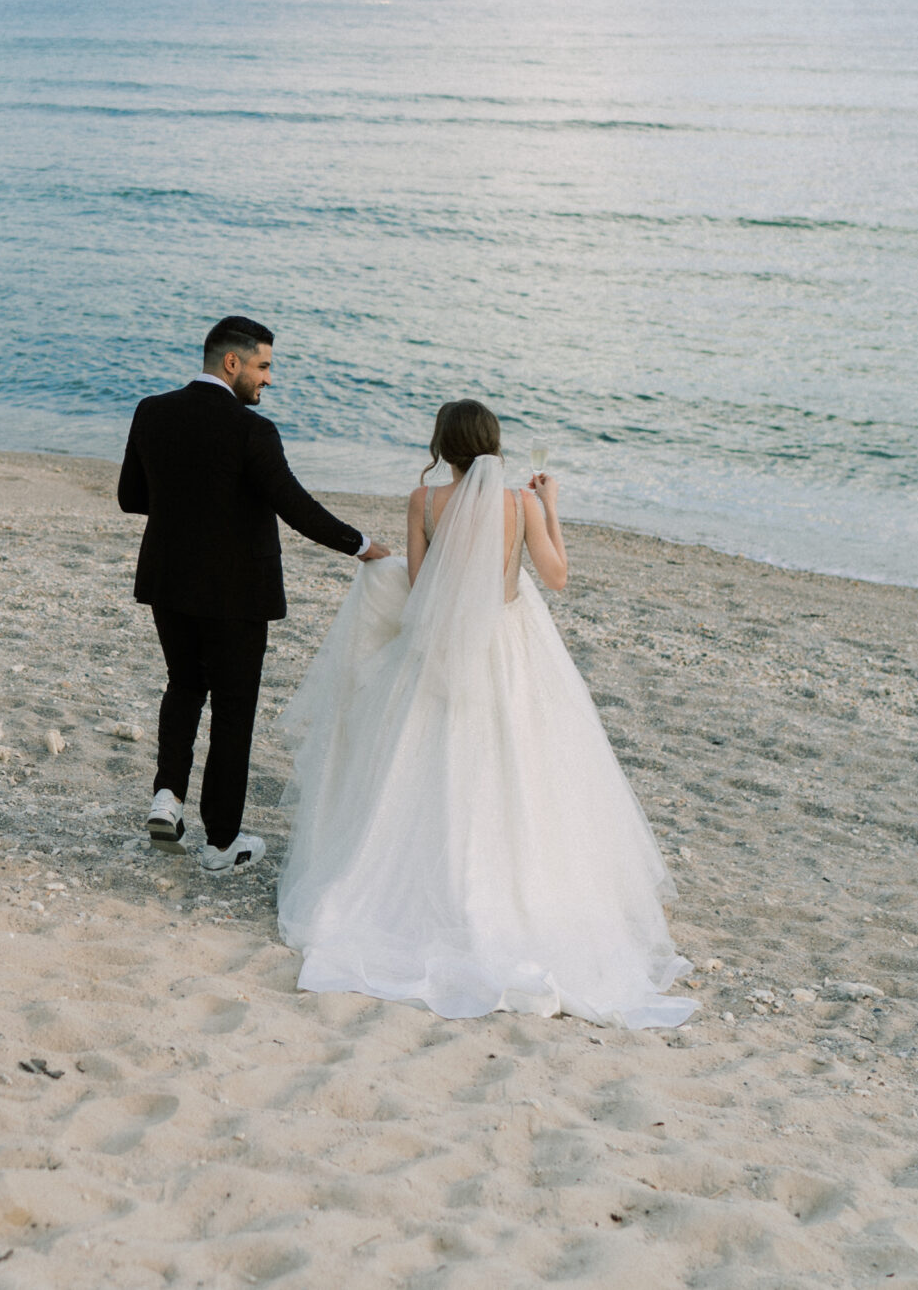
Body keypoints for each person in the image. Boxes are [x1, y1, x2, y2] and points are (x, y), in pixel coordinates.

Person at [274, 398, 697, 1027]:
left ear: (442, 447)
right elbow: (556, 577)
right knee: (519, 756)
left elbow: (421, 588)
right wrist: (551, 507)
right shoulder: (521, 504)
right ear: (494, 445)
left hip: (438, 648)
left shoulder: (423, 502)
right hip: (509, 643)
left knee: (425, 757)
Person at [117, 317, 395, 874]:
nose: (269, 379)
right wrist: (362, 545)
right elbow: (295, 506)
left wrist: (193, 507)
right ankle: (222, 843)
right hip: (237, 594)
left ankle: (167, 798)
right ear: (232, 362)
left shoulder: (152, 411)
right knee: (233, 710)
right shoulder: (252, 431)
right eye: (263, 366)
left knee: (184, 685)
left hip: (169, 581)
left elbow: (131, 496)